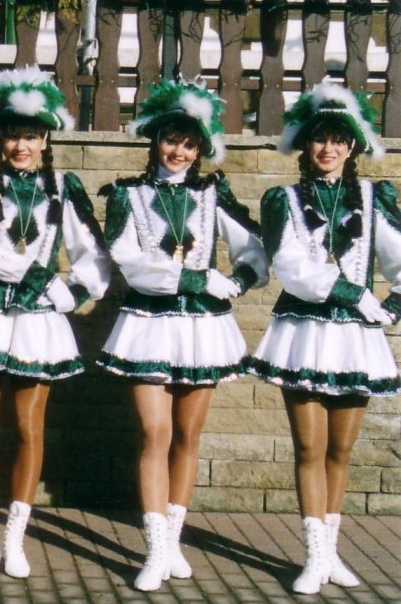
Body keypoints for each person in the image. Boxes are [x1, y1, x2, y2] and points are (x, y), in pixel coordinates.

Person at [0, 67, 109, 585]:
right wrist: (38, 274)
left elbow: (93, 254)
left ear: (46, 139)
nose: (21, 146)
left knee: (29, 429)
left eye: (31, 136)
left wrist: (74, 291)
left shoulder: (64, 186)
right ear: (0, 138)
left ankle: (14, 539)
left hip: (38, 321)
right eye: (13, 135)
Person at [97, 79, 268, 591]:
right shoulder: (127, 194)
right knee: (155, 433)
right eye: (172, 140)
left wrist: (238, 281)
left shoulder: (213, 193)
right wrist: (195, 278)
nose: (179, 152)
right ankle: (156, 550)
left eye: (190, 145)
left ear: (200, 150)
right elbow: (128, 260)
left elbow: (254, 248)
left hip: (202, 328)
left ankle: (172, 541)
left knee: (188, 436)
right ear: (155, 140)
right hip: (148, 324)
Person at [247, 81, 400, 594]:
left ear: (352, 146)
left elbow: (399, 257)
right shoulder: (283, 199)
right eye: (319, 138)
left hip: (355, 340)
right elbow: (290, 265)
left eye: (338, 139)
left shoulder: (375, 198)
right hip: (304, 333)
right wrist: (354, 293)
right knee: (309, 447)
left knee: (341, 449)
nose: (328, 148)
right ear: (306, 144)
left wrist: (394, 304)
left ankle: (332, 554)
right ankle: (314, 557)